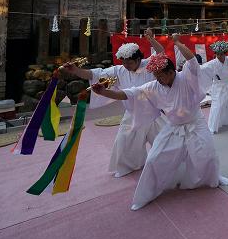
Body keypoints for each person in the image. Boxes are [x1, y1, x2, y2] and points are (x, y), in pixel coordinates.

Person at [91, 33, 228, 211]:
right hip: (172, 127)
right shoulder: (153, 86)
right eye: (155, 75)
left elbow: (192, 62)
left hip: (196, 123)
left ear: (172, 72)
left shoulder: (185, 78)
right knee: (154, 158)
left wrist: (178, 43)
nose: (158, 79)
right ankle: (147, 194)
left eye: (161, 75)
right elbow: (127, 93)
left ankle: (213, 178)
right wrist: (103, 92)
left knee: (207, 155)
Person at [62, 29, 166, 178]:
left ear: (138, 60)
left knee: (165, 142)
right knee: (124, 142)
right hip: (132, 114)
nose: (126, 65)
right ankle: (130, 165)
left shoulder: (148, 65)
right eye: (123, 62)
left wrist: (150, 39)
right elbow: (94, 74)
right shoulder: (119, 70)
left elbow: (161, 53)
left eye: (129, 62)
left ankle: (169, 165)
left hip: (153, 113)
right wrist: (76, 70)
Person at [199, 41, 228, 133]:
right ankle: (213, 126)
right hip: (218, 87)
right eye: (217, 54)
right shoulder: (212, 63)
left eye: (221, 54)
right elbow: (201, 69)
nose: (219, 56)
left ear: (225, 53)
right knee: (218, 105)